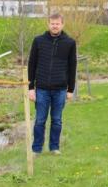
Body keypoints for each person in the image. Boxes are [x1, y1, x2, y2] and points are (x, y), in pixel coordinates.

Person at [28, 13, 77, 155]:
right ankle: (36, 149)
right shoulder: (38, 41)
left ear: (62, 25)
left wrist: (70, 89)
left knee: (56, 120)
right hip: (42, 89)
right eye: (52, 23)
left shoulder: (69, 43)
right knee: (40, 120)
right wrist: (30, 88)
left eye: (57, 23)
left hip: (60, 89)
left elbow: (72, 66)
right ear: (48, 24)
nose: (55, 26)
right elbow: (31, 64)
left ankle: (54, 147)